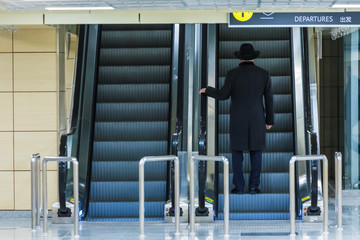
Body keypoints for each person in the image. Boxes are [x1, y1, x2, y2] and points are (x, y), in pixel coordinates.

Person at [199, 43, 274, 194]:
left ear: (239, 58)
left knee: (237, 153)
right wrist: (269, 120)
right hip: (257, 118)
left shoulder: (232, 73)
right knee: (256, 152)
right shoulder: (264, 74)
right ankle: (254, 187)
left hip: (237, 119)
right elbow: (269, 98)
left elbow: (223, 95)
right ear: (253, 57)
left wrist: (208, 90)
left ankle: (239, 187)